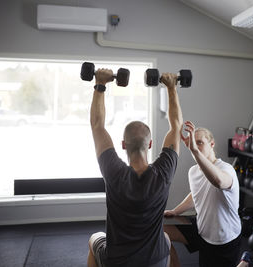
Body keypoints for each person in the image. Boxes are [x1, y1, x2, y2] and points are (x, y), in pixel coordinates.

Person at [87, 68, 183, 267]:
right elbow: (176, 126)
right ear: (149, 144)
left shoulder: (114, 172)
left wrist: (100, 85)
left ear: (123, 144)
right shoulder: (163, 172)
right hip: (155, 260)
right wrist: (172, 88)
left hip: (117, 261)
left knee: (95, 238)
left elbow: (97, 126)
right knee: (165, 239)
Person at [164, 121, 242, 267]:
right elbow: (195, 194)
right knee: (160, 233)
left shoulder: (227, 169)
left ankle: (245, 263)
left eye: (200, 142)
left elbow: (218, 181)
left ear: (211, 144)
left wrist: (194, 150)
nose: (196, 146)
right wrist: (176, 211)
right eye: (193, 143)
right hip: (202, 232)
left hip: (225, 239)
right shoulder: (193, 171)